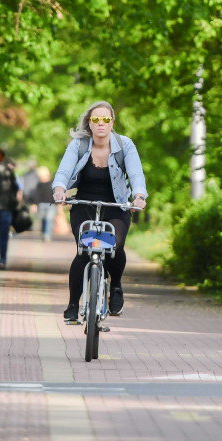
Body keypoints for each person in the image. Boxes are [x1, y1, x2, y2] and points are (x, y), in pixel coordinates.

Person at [52, 102, 147, 327]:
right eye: (96, 120)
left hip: (116, 206)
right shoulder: (79, 145)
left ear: (112, 122)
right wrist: (59, 189)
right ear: (89, 123)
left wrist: (139, 196)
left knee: (116, 245)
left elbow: (135, 174)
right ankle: (73, 304)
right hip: (84, 204)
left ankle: (115, 286)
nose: (101, 124)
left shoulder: (125, 145)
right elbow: (64, 171)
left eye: (106, 119)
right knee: (84, 251)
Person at [33, 166, 56, 241]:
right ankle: (44, 234)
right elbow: (37, 195)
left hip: (51, 205)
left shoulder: (52, 183)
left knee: (49, 220)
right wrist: (35, 204)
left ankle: (47, 235)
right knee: (43, 220)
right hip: (41, 204)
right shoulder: (39, 184)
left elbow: (54, 194)